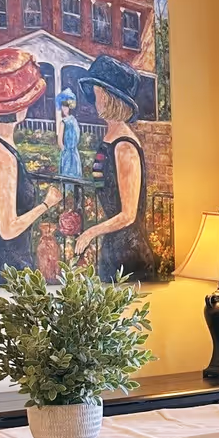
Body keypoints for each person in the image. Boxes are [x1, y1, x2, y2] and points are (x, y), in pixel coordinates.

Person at [0, 48, 60, 288]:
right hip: (8, 271)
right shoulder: (1, 157)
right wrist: (46, 204)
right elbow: (8, 229)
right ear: (18, 108)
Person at [73, 56, 155, 281]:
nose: (94, 98)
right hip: (113, 246)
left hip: (130, 251)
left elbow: (128, 215)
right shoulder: (111, 137)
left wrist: (91, 232)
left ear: (110, 98)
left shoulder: (125, 147)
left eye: (98, 91)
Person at [55, 88, 82, 178]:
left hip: (73, 153)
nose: (64, 108)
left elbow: (77, 136)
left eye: (66, 106)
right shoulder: (66, 122)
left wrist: (68, 150)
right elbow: (60, 141)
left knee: (72, 176)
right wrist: (65, 150)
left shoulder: (71, 121)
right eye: (63, 106)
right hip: (69, 153)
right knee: (69, 176)